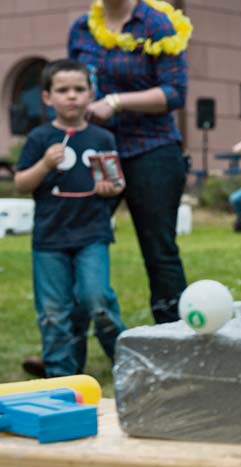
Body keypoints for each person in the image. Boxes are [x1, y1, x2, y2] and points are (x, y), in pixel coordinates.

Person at [68, 0, 191, 323]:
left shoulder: (156, 24)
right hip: (97, 150)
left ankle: (174, 344)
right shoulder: (82, 29)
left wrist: (115, 102)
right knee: (78, 242)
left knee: (159, 251)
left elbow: (175, 93)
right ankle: (64, 349)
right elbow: (71, 83)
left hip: (152, 150)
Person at [14, 59, 126, 378]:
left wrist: (109, 188)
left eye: (79, 89)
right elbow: (22, 183)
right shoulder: (39, 138)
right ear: (47, 98)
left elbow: (117, 183)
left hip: (92, 234)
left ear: (91, 94)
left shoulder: (102, 138)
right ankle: (60, 377)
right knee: (53, 312)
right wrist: (45, 164)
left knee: (97, 299)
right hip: (49, 239)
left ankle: (128, 361)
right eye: (63, 90)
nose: (72, 96)